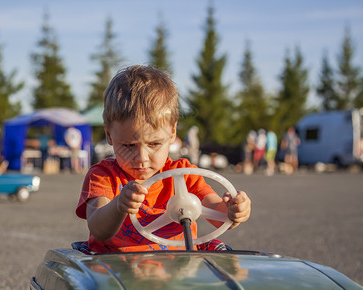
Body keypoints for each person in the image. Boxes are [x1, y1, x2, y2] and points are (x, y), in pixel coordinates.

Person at [76, 65, 251, 253]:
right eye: (128, 146)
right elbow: (98, 229)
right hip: (117, 269)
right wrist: (119, 205)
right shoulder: (104, 176)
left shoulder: (184, 175)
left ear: (173, 132)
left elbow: (219, 215)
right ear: (109, 135)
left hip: (176, 269)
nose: (141, 158)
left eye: (154, 144)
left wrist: (234, 211)